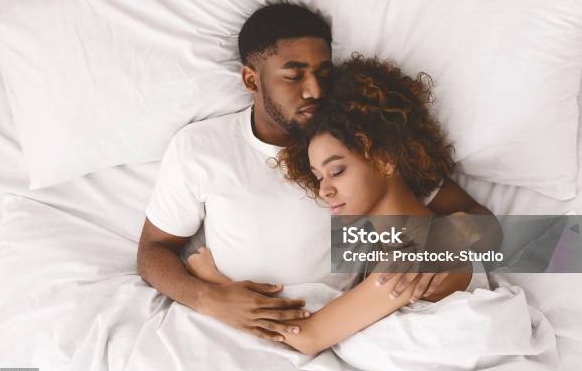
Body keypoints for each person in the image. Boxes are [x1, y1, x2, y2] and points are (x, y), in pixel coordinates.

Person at [137, 3, 501, 344]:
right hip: (235, 323)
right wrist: (208, 296)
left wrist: (447, 241)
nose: (313, 90)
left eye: (323, 74)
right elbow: (152, 250)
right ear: (251, 80)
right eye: (293, 76)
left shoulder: (360, 145)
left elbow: (487, 225)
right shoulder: (202, 146)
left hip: (337, 324)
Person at [185, 55, 491, 355]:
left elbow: (306, 337)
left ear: (384, 159)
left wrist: (215, 283)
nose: (325, 190)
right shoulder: (389, 242)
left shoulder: (415, 257)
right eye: (318, 176)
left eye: (337, 171)